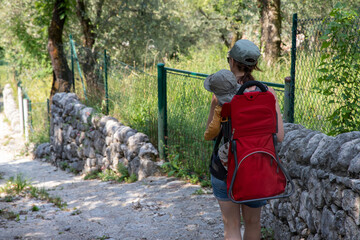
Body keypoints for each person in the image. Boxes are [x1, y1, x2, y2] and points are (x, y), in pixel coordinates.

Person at [205, 39, 284, 240]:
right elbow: (280, 136)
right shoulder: (267, 92)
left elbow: (210, 133)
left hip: (225, 167)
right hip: (256, 166)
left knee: (231, 225)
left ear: (231, 61)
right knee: (253, 223)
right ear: (253, 65)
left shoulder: (220, 93)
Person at [204, 69, 240, 170]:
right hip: (252, 147)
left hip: (232, 153)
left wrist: (206, 135)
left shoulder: (221, 109)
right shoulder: (247, 99)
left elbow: (212, 131)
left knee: (216, 174)